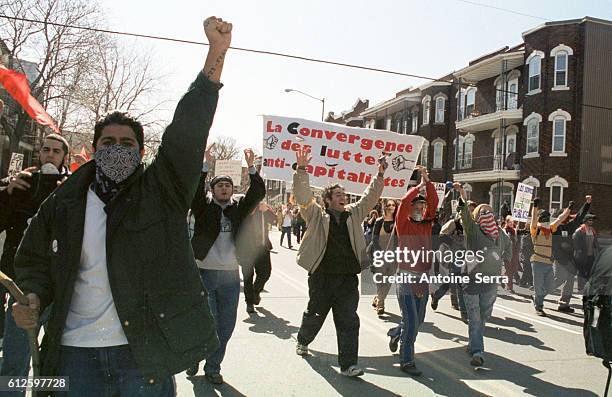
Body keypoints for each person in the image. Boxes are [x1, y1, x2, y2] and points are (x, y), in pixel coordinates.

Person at [12, 16, 233, 396]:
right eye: (108, 143)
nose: (117, 149)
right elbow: (32, 263)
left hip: (141, 356)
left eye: (127, 144)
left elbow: (188, 130)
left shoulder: (161, 192)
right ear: (92, 151)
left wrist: (216, 55)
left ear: (142, 152)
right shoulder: (62, 204)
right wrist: (31, 296)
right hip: (73, 357)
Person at [293, 148, 387, 377]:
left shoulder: (354, 213)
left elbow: (370, 197)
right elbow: (303, 196)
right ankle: (303, 339)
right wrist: (302, 169)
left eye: (343, 194)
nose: (343, 197)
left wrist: (380, 175)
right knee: (315, 314)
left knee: (348, 321)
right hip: (322, 276)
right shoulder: (316, 214)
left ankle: (348, 365)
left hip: (347, 279)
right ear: (326, 200)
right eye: (337, 194)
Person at [188, 146, 265, 382]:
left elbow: (258, 192)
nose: (224, 188)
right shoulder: (203, 208)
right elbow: (194, 193)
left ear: (233, 190)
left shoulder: (238, 210)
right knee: (207, 321)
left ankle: (213, 367)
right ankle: (194, 357)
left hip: (230, 277)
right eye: (219, 185)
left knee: (226, 326)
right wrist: (205, 164)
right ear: (213, 190)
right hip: (205, 273)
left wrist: (251, 167)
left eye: (228, 186)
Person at [0, 134, 70, 386]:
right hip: (22, 289)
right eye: (46, 150)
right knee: (14, 362)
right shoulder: (22, 184)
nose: (50, 154)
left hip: (60, 289)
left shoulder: (72, 188)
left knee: (55, 364)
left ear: (65, 157)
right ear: (39, 154)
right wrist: (8, 192)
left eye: (56, 151)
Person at [387, 165, 438, 377]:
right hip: (406, 278)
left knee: (418, 320)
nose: (419, 209)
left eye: (422, 207)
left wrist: (427, 182)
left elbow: (434, 203)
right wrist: (418, 187)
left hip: (423, 279)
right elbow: (404, 203)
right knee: (410, 321)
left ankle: (396, 333)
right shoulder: (403, 224)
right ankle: (406, 360)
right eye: (416, 207)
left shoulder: (427, 223)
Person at [454, 183, 512, 367]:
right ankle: (478, 351)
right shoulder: (473, 231)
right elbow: (464, 216)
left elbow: (508, 247)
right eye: (482, 212)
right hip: (471, 281)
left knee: (484, 314)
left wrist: (505, 263)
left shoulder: (500, 234)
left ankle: (473, 343)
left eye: (489, 212)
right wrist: (462, 194)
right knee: (475, 315)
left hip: (491, 281)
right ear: (477, 217)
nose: (487, 215)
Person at [530, 198, 570, 316]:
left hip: (548, 263)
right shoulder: (535, 229)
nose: (546, 220)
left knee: (550, 287)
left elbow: (560, 219)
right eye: (544, 218)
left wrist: (569, 209)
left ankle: (536, 298)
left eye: (547, 218)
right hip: (537, 262)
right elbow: (533, 220)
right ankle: (539, 307)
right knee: (538, 287)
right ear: (540, 219)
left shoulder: (550, 229)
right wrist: (535, 206)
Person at [553, 196, 591, 312]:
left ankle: (563, 303)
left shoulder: (569, 227)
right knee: (559, 279)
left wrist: (587, 204)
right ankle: (540, 293)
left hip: (569, 259)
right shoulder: (554, 228)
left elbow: (579, 218)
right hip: (559, 258)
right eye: (566, 216)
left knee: (569, 278)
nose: (569, 218)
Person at [430, 213, 467, 322]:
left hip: (466, 257)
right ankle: (464, 313)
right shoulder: (453, 223)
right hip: (453, 257)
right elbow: (442, 235)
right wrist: (452, 241)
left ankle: (436, 296)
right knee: (459, 283)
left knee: (453, 281)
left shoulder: (471, 225)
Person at [241, 201, 276, 313]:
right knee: (248, 276)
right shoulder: (244, 207)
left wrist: (267, 210)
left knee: (266, 272)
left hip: (262, 247)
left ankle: (256, 291)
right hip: (247, 249)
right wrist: (253, 210)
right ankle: (249, 302)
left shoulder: (263, 209)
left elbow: (274, 220)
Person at [369, 199, 398, 316]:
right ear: (385, 207)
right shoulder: (379, 222)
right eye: (389, 205)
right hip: (380, 256)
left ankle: (379, 299)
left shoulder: (398, 222)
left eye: (393, 205)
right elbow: (374, 239)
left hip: (394, 257)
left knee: (389, 280)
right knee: (381, 281)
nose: (391, 207)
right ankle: (381, 304)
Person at [573, 213, 600, 292]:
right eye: (590, 220)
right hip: (581, 256)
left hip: (590, 255)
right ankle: (580, 288)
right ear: (585, 221)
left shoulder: (592, 231)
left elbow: (595, 243)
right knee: (581, 272)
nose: (592, 222)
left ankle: (587, 287)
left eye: (592, 220)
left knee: (589, 271)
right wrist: (578, 251)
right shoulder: (579, 231)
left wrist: (598, 252)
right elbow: (575, 242)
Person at [503, 215, 521, 292]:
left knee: (515, 269)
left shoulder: (515, 230)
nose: (511, 223)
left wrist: (516, 232)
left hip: (514, 253)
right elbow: (507, 240)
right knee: (509, 271)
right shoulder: (504, 230)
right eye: (509, 222)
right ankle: (510, 288)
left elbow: (517, 241)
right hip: (507, 253)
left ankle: (503, 277)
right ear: (506, 222)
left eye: (512, 222)